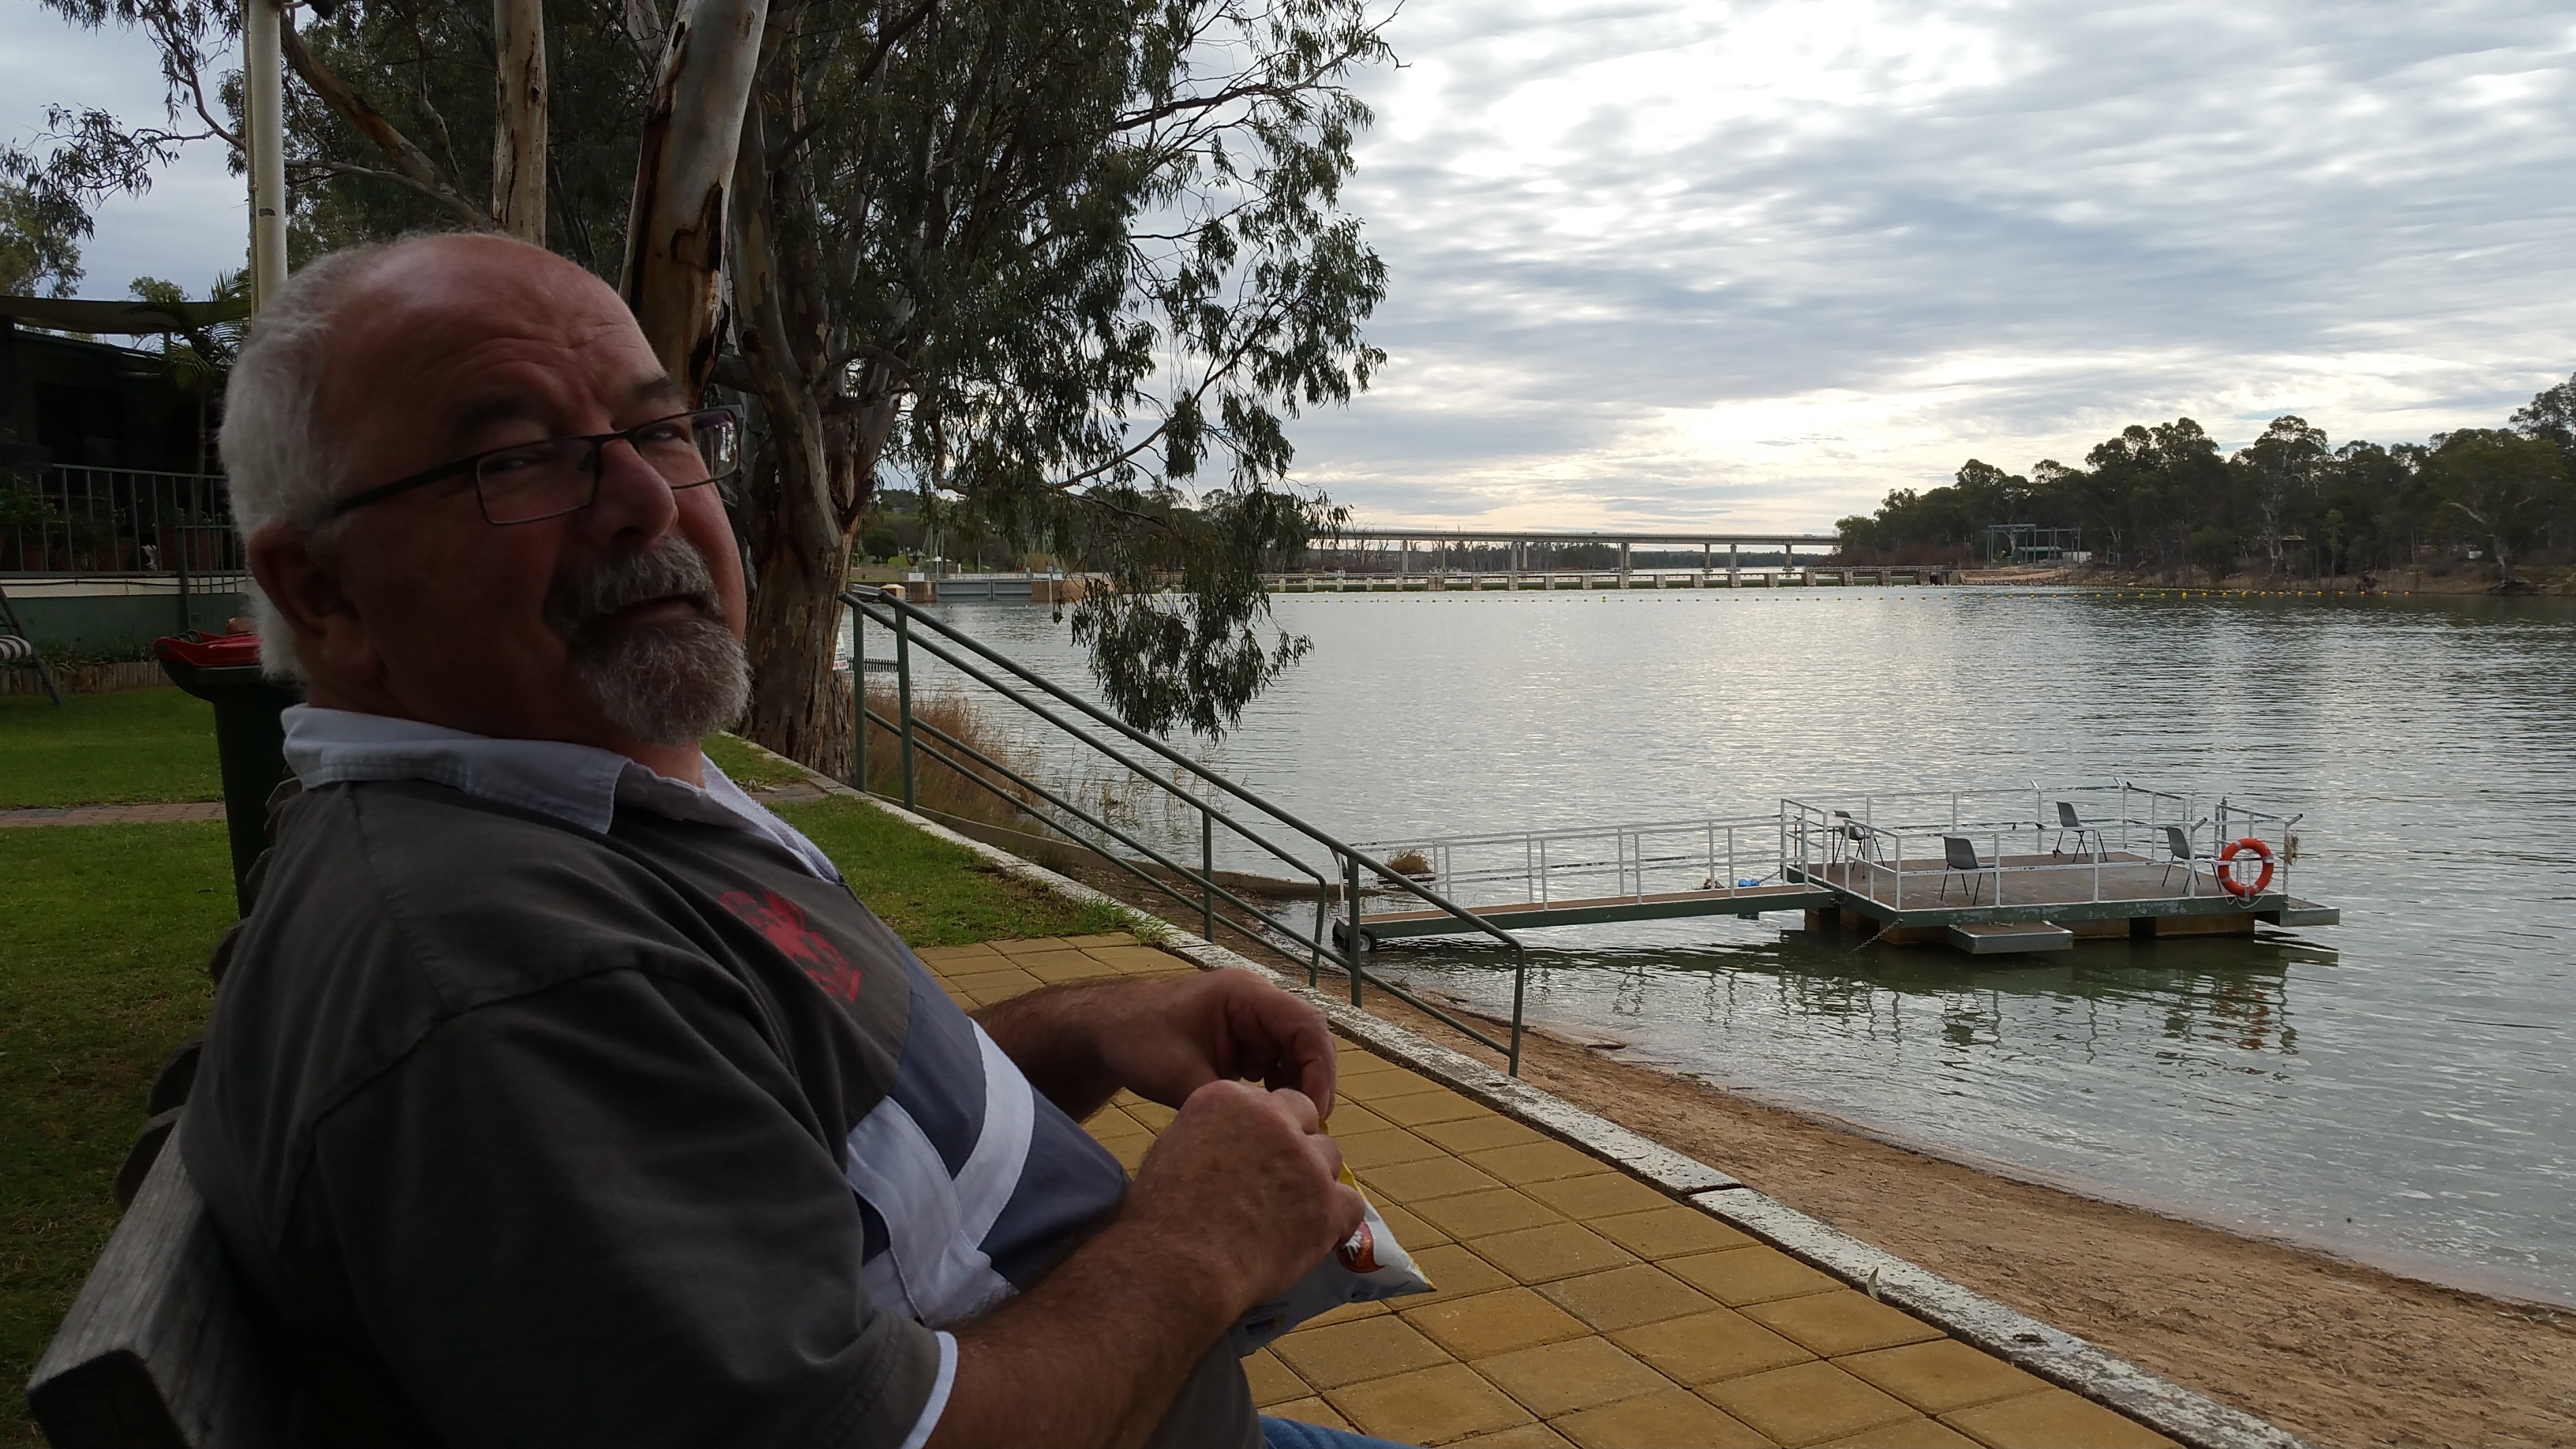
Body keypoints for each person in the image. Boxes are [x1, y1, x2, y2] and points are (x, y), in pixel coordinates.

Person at [180, 233, 1414, 1449]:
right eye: (518, 459)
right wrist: (1198, 1244)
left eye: (661, 431)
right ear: (323, 592)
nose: (647, 501)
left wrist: (1090, 1027)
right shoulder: (504, 973)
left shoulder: (583, 808)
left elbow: (795, 1132)